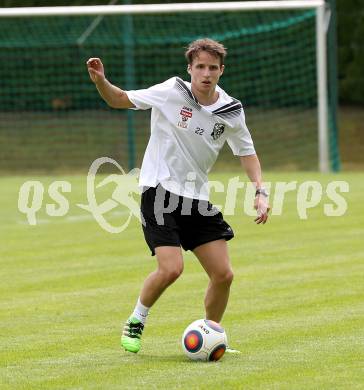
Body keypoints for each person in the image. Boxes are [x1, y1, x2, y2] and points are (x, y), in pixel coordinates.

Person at [86, 38, 270, 354]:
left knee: (223, 275)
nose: (206, 73)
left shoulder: (231, 110)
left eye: (213, 67)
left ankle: (213, 334)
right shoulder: (172, 91)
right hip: (158, 191)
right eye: (200, 66)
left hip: (196, 198)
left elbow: (247, 152)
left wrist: (260, 190)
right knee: (171, 268)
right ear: (190, 69)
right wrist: (102, 81)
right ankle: (136, 320)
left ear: (221, 71)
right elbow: (119, 99)